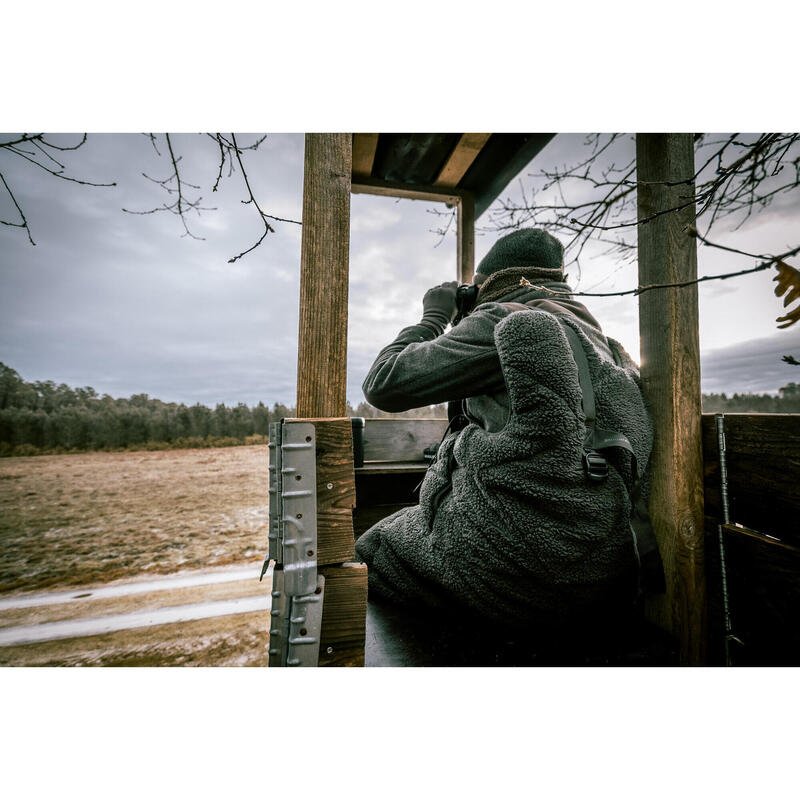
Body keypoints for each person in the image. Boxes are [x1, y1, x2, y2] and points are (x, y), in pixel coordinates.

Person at [354, 228, 657, 631]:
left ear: (487, 284)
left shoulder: (503, 320)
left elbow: (384, 384)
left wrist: (435, 316)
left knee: (369, 549)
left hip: (516, 569)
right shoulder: (603, 343)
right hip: (602, 563)